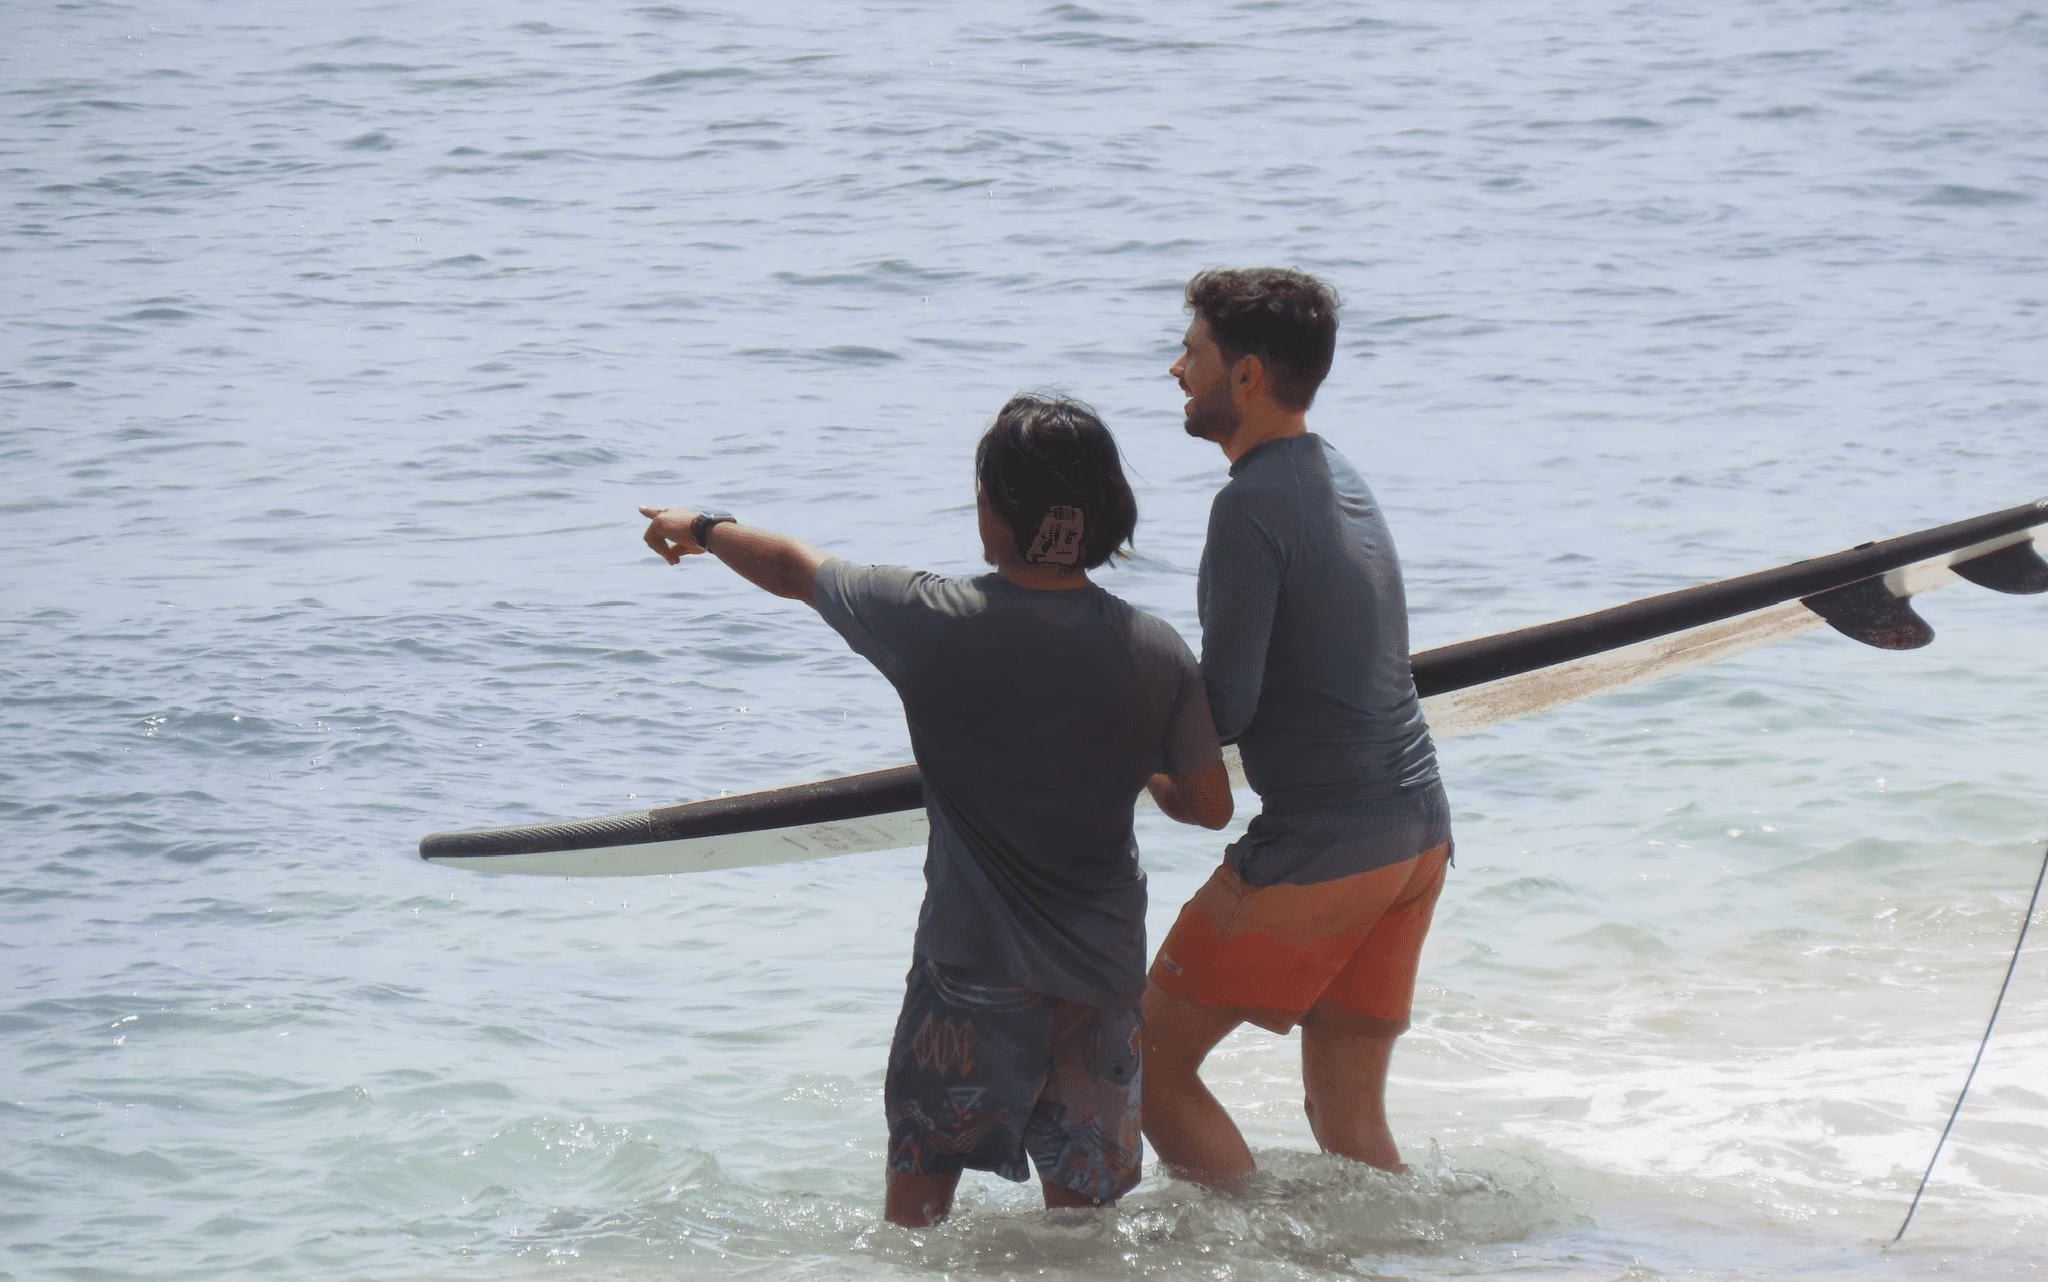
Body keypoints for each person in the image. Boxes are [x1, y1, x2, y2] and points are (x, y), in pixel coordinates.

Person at [639, 394, 1233, 1227]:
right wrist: (1141, 762)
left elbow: (793, 569)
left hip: (969, 979)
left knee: (917, 1229)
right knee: (1083, 1236)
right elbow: (1209, 806)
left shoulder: (929, 618)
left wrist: (702, 527)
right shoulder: (1155, 649)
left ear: (999, 513)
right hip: (1099, 984)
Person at [1142, 268, 1453, 1192]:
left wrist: (1124, 744)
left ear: (1244, 375)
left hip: (1326, 844)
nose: (1175, 370)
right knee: (1347, 1119)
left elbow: (1227, 710)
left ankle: (1247, 1251)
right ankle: (1402, 1253)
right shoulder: (1337, 474)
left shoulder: (1248, 504)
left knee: (1144, 1065)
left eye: (1191, 353)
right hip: (1417, 835)